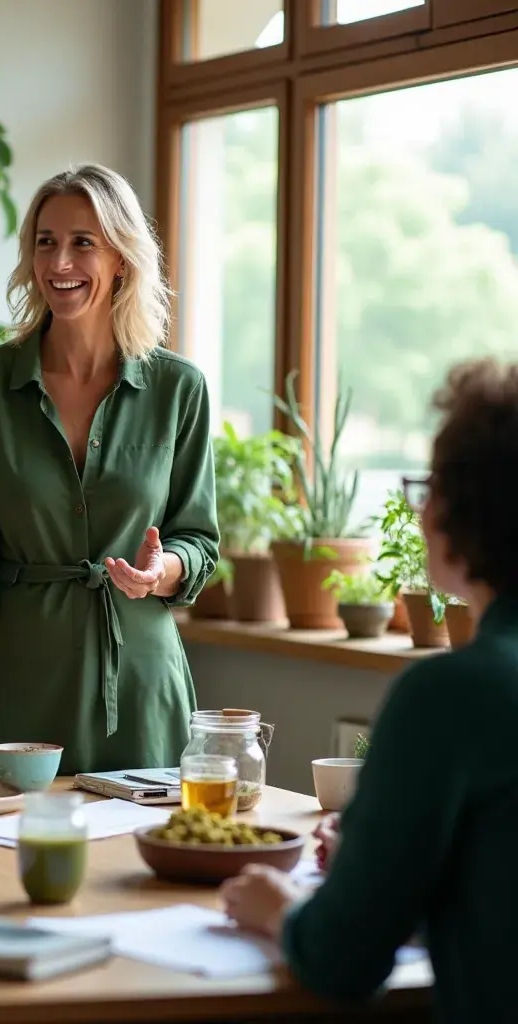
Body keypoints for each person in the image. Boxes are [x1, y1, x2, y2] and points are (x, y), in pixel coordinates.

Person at [221, 358, 518, 1023]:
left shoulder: (451, 694)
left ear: (462, 512)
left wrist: (281, 910)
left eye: (431, 488)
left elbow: (343, 958)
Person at [0, 164, 220, 774]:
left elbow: (197, 538)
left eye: (83, 243)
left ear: (121, 258)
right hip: (13, 676)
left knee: (147, 837)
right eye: (45, 242)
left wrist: (161, 571)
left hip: (138, 683)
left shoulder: (179, 389)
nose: (60, 263)